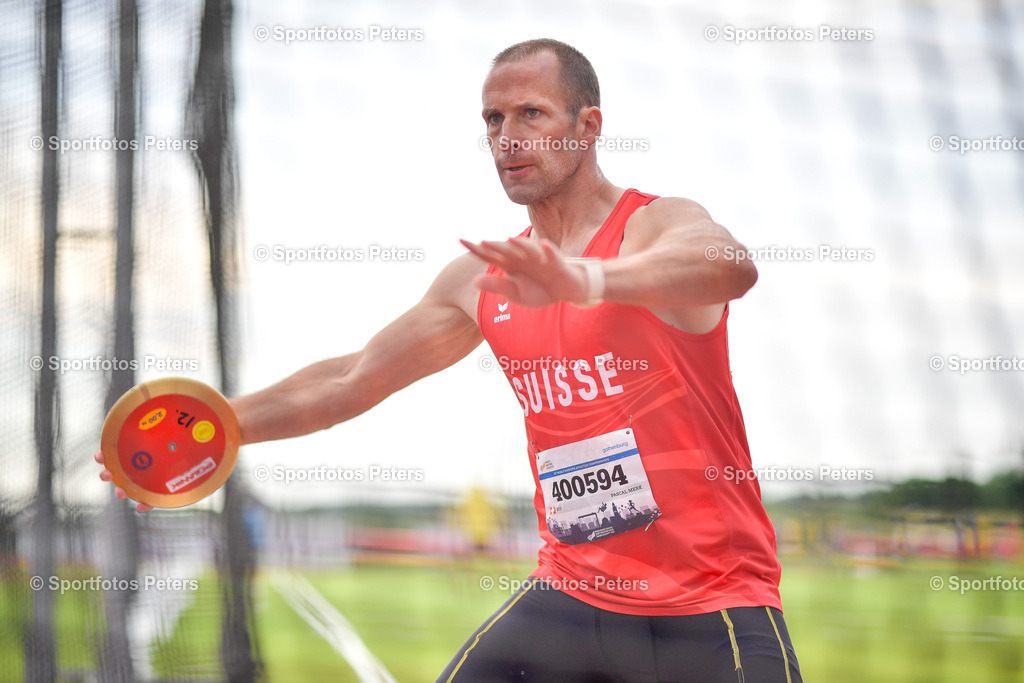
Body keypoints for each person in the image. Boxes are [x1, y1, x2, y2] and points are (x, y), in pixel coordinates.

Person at [98, 38, 801, 682]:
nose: (507, 136)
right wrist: (218, 425)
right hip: (572, 595)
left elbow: (725, 266)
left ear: (588, 126)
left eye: (531, 113)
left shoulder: (651, 227)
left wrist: (587, 280)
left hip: (709, 606)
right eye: (494, 119)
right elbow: (351, 378)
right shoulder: (483, 278)